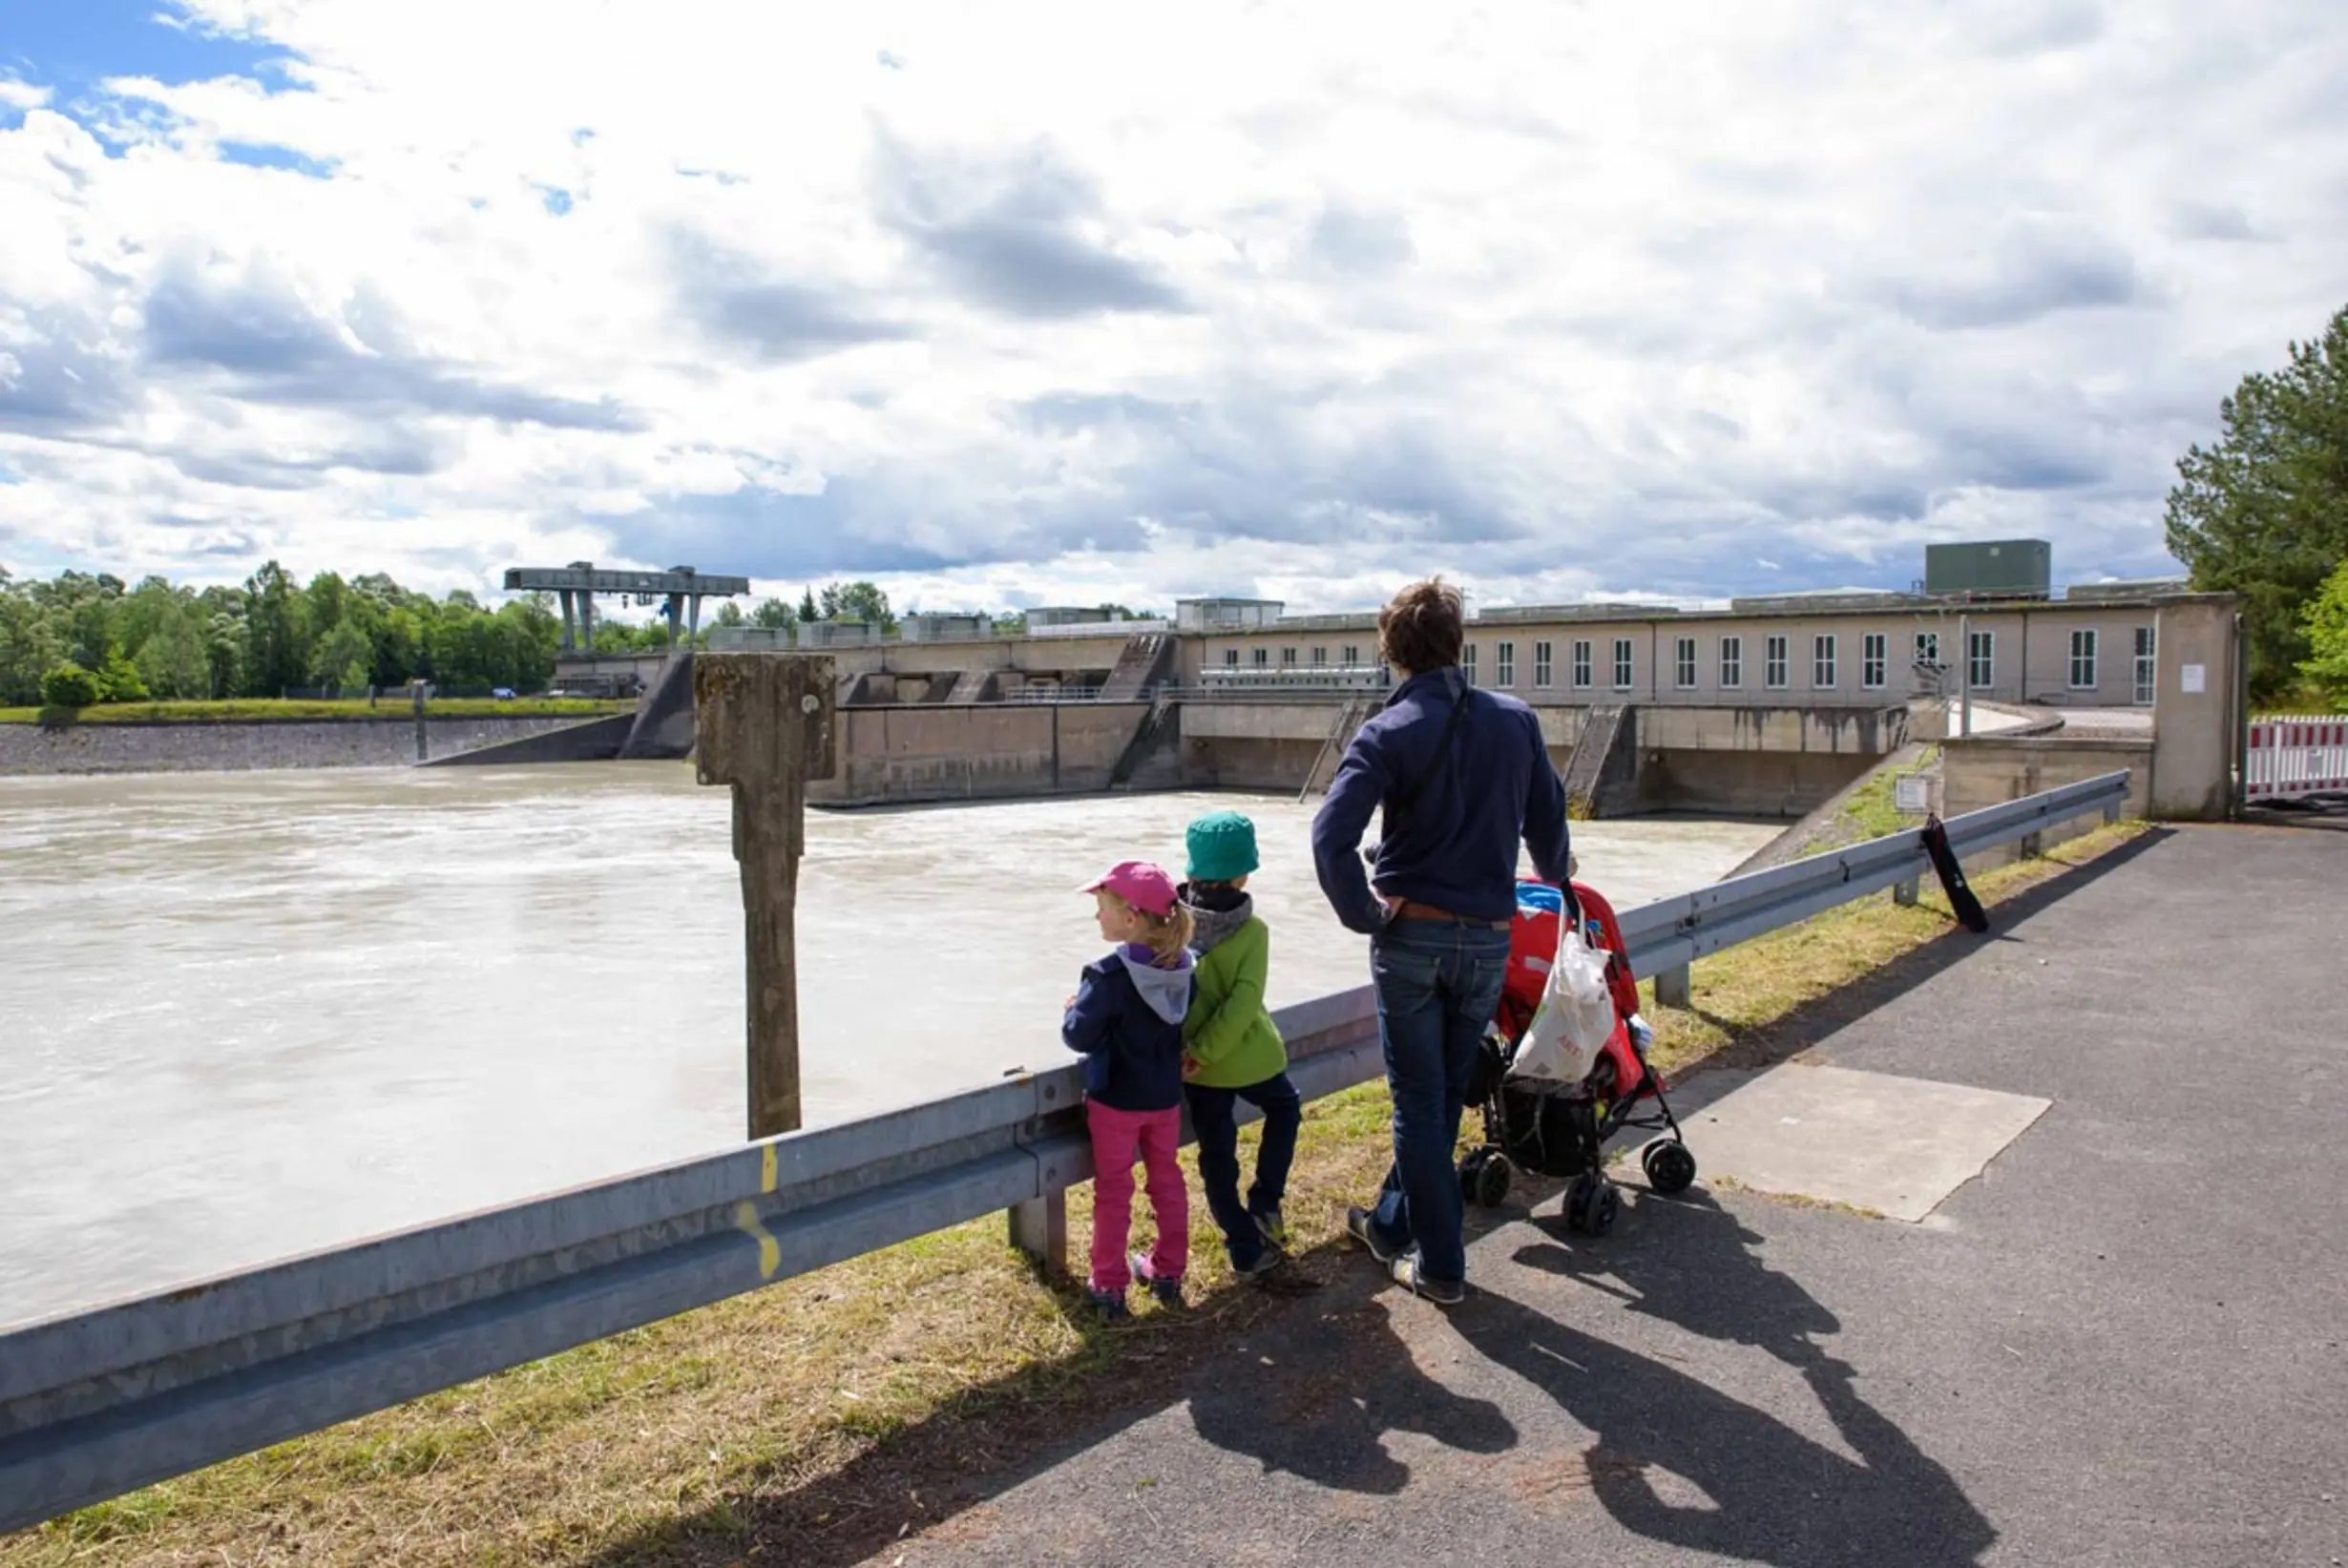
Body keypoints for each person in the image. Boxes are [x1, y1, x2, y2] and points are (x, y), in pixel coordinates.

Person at [1310, 577, 1572, 1305]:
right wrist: (1558, 875)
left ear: (1393, 653)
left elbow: (1331, 837)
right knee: (1443, 1094)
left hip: (1412, 939)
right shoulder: (1516, 721)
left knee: (1421, 1102)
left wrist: (1364, 914)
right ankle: (1392, 1225)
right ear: (1459, 643)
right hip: (1490, 939)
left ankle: (1443, 1266)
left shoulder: (1387, 733)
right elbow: (1548, 824)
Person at [1062, 860, 1195, 1322]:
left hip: (1115, 1101)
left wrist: (1075, 1008)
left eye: (1102, 907)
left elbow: (1078, 1037)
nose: (1097, 917)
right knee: (1167, 1181)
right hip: (1163, 1099)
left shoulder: (1108, 977)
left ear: (1132, 917)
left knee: (1115, 1190)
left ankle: (1110, 1284)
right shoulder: (1182, 968)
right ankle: (1168, 1270)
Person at [1176, 809, 1302, 1282]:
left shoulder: (1172, 923)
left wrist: (1196, 1053)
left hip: (1196, 1069)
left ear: (1191, 871)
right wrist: (1210, 1050)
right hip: (1248, 1059)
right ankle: (1266, 1202)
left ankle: (1243, 1245)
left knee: (1217, 1155)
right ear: (1243, 872)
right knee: (1285, 1109)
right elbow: (1244, 1004)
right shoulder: (1253, 931)